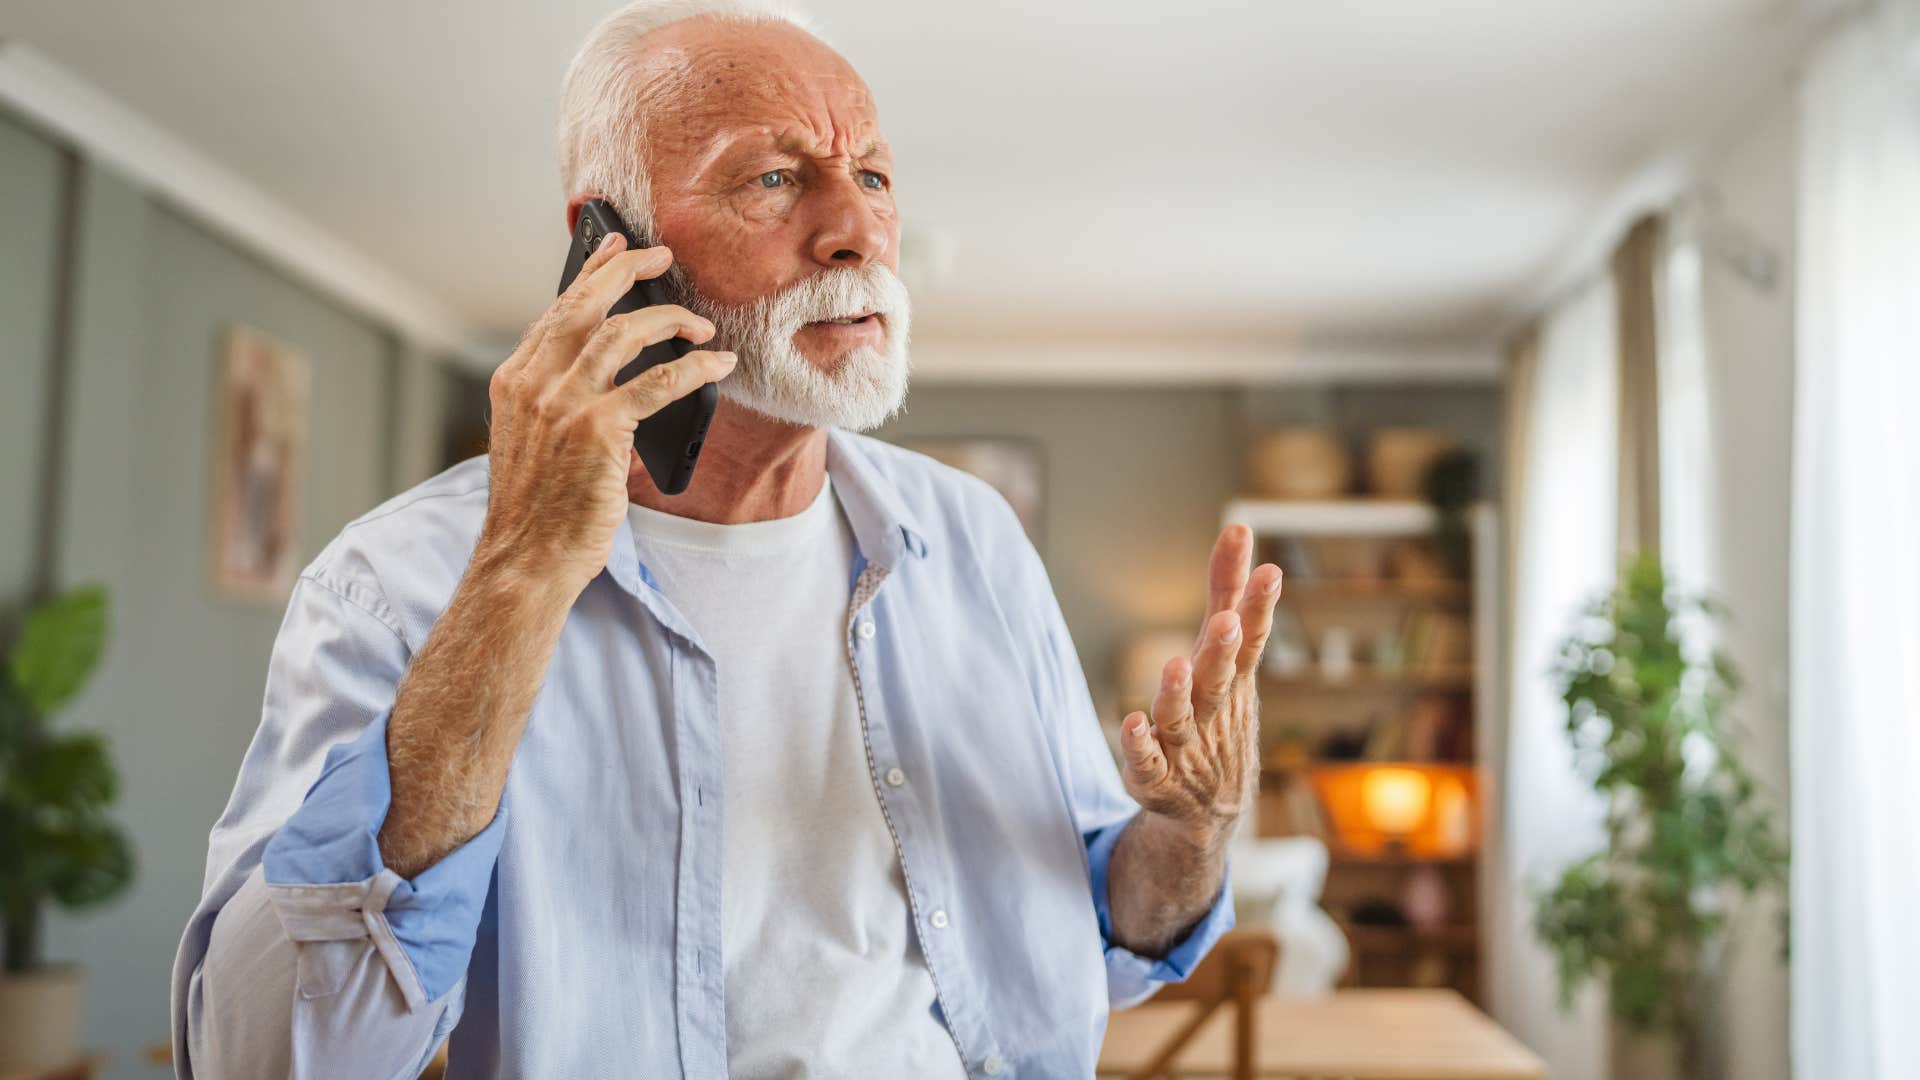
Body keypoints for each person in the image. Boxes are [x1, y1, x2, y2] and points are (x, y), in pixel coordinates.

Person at [169, 2, 1284, 1076]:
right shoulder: (396, 584)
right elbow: (264, 1060)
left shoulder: (973, 540)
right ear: (611, 242)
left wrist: (1191, 829)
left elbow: (1104, 943)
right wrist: (522, 569)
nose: (858, 233)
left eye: (875, 177)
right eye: (774, 178)